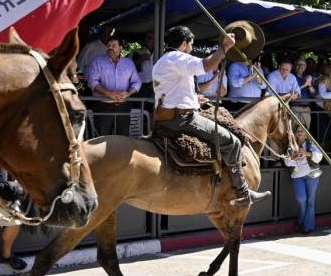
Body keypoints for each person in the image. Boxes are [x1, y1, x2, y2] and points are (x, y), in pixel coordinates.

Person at [152, 26, 270, 204]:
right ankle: (242, 193)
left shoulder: (164, 60)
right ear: (184, 44)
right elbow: (206, 66)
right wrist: (224, 48)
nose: (191, 47)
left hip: (167, 116)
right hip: (182, 119)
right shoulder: (177, 57)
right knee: (232, 142)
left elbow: (173, 91)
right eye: (191, 44)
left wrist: (194, 99)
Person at [87, 35, 142, 135]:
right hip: (103, 107)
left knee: (123, 139)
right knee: (102, 139)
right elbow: (92, 81)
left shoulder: (128, 63)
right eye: (108, 45)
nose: (110, 47)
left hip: (123, 107)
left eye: (114, 45)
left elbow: (137, 82)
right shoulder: (97, 61)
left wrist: (128, 93)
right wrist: (108, 93)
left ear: (121, 48)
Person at [282, 126, 323, 234]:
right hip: (297, 175)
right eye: (297, 132)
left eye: (301, 131)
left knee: (310, 201)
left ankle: (307, 227)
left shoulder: (311, 143)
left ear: (306, 134)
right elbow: (287, 162)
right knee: (301, 199)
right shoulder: (291, 146)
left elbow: (319, 156)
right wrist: (293, 158)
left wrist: (307, 153)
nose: (299, 133)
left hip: (312, 175)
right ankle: (301, 222)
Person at [131, 31, 155, 97]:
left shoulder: (160, 52)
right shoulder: (136, 52)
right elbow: (129, 69)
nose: (146, 39)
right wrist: (140, 59)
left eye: (149, 38)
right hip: (140, 85)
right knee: (140, 106)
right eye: (145, 37)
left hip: (155, 85)